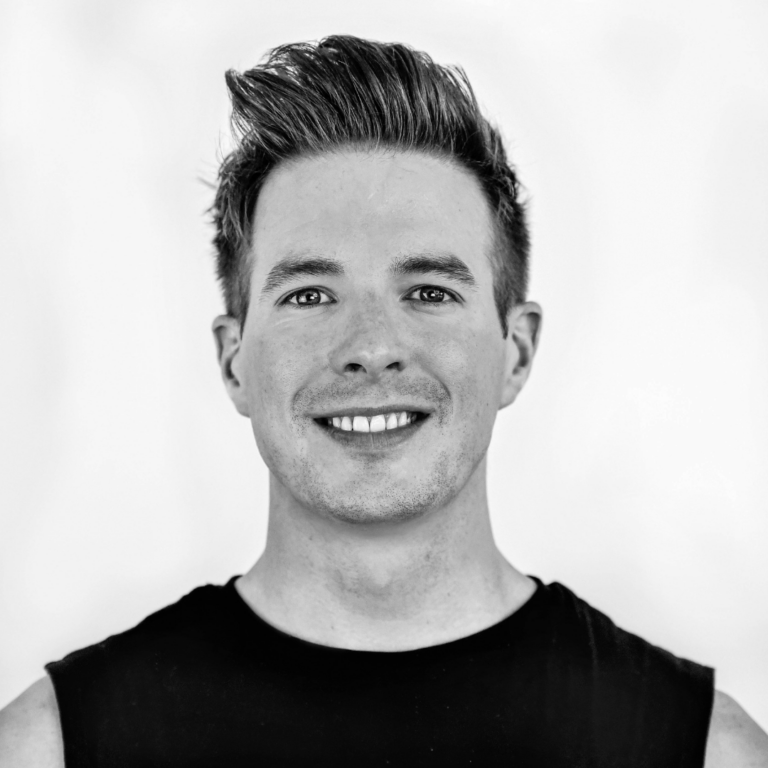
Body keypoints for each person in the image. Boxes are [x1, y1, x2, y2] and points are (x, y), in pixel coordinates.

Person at [1, 34, 766, 768]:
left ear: (517, 350)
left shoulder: (704, 752)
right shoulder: (51, 749)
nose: (371, 344)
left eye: (428, 291)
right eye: (309, 294)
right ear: (233, 359)